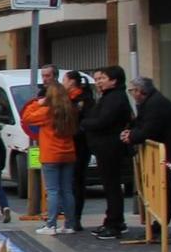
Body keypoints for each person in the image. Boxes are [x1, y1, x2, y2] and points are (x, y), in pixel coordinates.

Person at [122, 77, 171, 224]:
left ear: (140, 91)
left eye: (132, 90)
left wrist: (132, 137)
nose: (131, 94)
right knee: (168, 193)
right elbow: (141, 123)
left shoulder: (156, 104)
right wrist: (131, 132)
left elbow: (149, 129)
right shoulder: (149, 102)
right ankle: (161, 225)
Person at [22, 81, 80, 234]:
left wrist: (37, 103)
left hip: (51, 155)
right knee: (67, 191)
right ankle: (69, 224)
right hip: (68, 154)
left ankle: (51, 225)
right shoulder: (70, 111)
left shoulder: (47, 112)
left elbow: (27, 117)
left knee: (52, 191)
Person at [81, 66, 132, 238]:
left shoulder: (116, 98)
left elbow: (103, 121)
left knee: (112, 187)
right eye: (97, 79)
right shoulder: (108, 97)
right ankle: (112, 220)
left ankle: (115, 223)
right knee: (110, 187)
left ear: (114, 80)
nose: (99, 82)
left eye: (103, 78)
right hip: (104, 148)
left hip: (110, 148)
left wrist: (85, 123)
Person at [60, 70, 90, 231]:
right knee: (69, 184)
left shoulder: (82, 99)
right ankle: (71, 217)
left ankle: (75, 218)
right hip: (68, 146)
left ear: (72, 82)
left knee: (76, 183)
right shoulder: (67, 99)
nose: (63, 83)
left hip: (79, 146)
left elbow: (82, 123)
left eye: (64, 80)